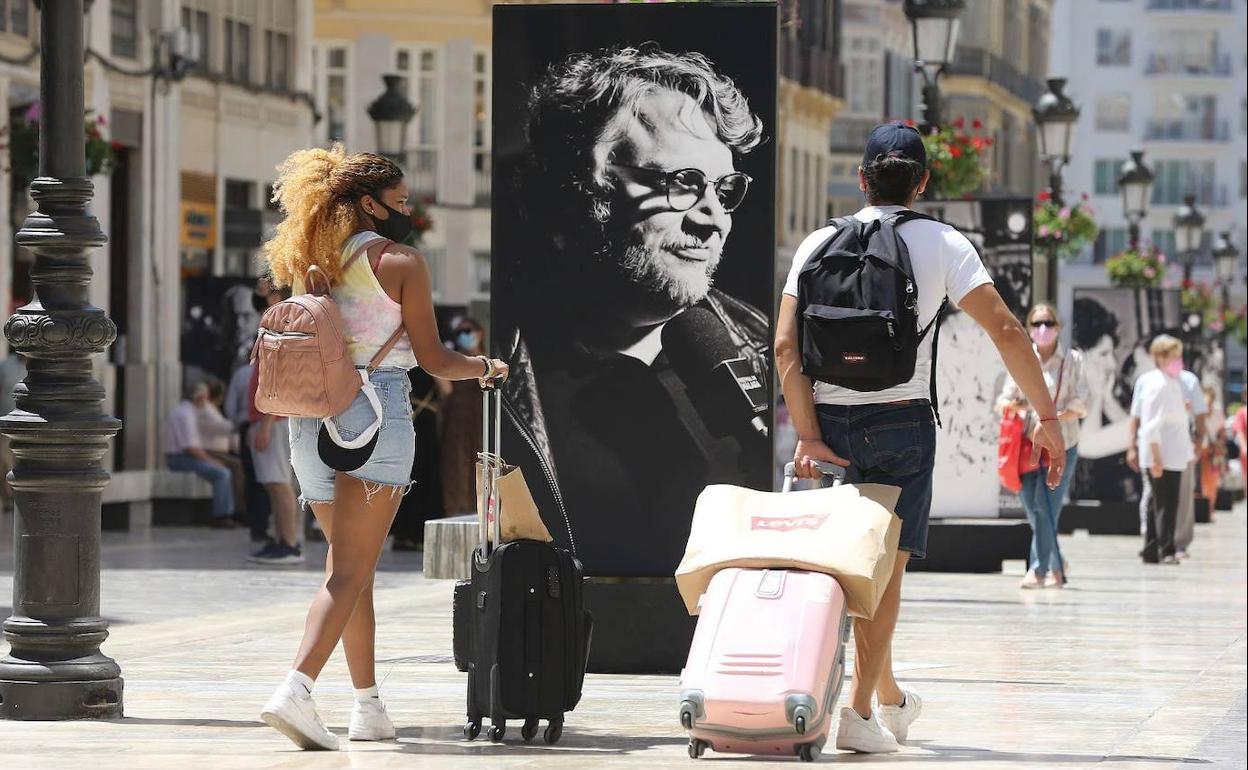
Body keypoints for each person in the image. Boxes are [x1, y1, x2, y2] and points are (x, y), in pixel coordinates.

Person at [775, 122, 1066, 754]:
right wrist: (1046, 419)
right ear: (923, 182)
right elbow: (1010, 331)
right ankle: (855, 712)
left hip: (827, 425)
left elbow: (783, 346)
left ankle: (888, 697)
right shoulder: (941, 243)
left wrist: (807, 433)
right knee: (883, 574)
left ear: (861, 179)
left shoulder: (817, 242)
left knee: (845, 568)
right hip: (900, 423)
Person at [257, 145, 508, 751]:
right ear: (368, 204)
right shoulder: (400, 262)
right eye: (399, 202)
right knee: (349, 570)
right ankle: (296, 687)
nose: (407, 212)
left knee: (352, 571)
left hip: (309, 422)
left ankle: (368, 707)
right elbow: (434, 359)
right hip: (375, 416)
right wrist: (486, 367)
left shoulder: (305, 260)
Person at [497, 44, 770, 574]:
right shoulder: (499, 367)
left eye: (723, 189)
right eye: (683, 184)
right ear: (577, 195)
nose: (712, 218)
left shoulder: (760, 347)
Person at [996, 303, 1088, 589]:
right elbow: (1002, 401)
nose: (1043, 329)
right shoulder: (1024, 358)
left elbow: (1081, 404)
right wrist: (1016, 406)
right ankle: (1057, 562)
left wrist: (1052, 417)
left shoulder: (1072, 360)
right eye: (1036, 324)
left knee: (1046, 506)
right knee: (1034, 508)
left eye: (1048, 322)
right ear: (1028, 329)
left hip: (1063, 442)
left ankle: (1039, 569)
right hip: (1027, 445)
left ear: (1058, 327)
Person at [1128, 349, 1206, 558]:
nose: (1177, 361)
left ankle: (1163, 545)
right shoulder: (1156, 383)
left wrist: (1197, 440)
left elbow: (1194, 414)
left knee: (1170, 500)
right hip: (1159, 453)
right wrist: (1153, 454)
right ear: (1160, 358)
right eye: (1173, 357)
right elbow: (1149, 423)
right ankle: (1159, 546)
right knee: (1158, 500)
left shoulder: (1181, 382)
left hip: (1176, 452)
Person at [245, 335, 303, 567]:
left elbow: (276, 386)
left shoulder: (276, 346)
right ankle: (282, 539)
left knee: (279, 483)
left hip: (273, 421)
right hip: (267, 421)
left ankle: (289, 543)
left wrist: (266, 426)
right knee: (274, 484)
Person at [165, 378, 238, 528]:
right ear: (199, 397)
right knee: (222, 473)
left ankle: (228, 513)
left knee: (224, 469)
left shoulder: (189, 411)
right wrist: (211, 461)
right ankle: (221, 516)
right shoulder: (185, 414)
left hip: (184, 456)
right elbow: (190, 447)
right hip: (179, 458)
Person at [391, 365, 444, 551]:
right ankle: (416, 533)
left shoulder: (401, 364)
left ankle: (402, 533)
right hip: (422, 422)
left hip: (403, 419)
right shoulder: (429, 360)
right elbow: (447, 388)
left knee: (403, 473)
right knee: (422, 474)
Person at [438, 318, 484, 516]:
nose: (463, 337)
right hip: (456, 419)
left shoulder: (488, 359)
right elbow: (446, 389)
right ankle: (454, 510)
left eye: (467, 331)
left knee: (480, 462)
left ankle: (479, 510)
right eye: (459, 333)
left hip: (480, 420)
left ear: (479, 332)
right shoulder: (456, 359)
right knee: (455, 463)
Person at [226, 357, 271, 543]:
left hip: (248, 425)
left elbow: (230, 405)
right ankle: (263, 524)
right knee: (268, 479)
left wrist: (237, 426)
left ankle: (255, 524)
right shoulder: (271, 369)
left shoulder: (241, 373)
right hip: (269, 426)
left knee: (252, 477)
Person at [198, 375, 246, 519]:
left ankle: (238, 507)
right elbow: (224, 428)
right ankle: (238, 509)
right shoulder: (206, 409)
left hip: (220, 451)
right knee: (237, 467)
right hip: (211, 451)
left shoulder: (212, 409)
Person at [0, 350, 26, 509]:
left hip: (29, 425)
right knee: (4, 461)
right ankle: (7, 497)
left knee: (22, 462)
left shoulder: (37, 368)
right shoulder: (6, 366)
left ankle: (20, 497)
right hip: (6, 423)